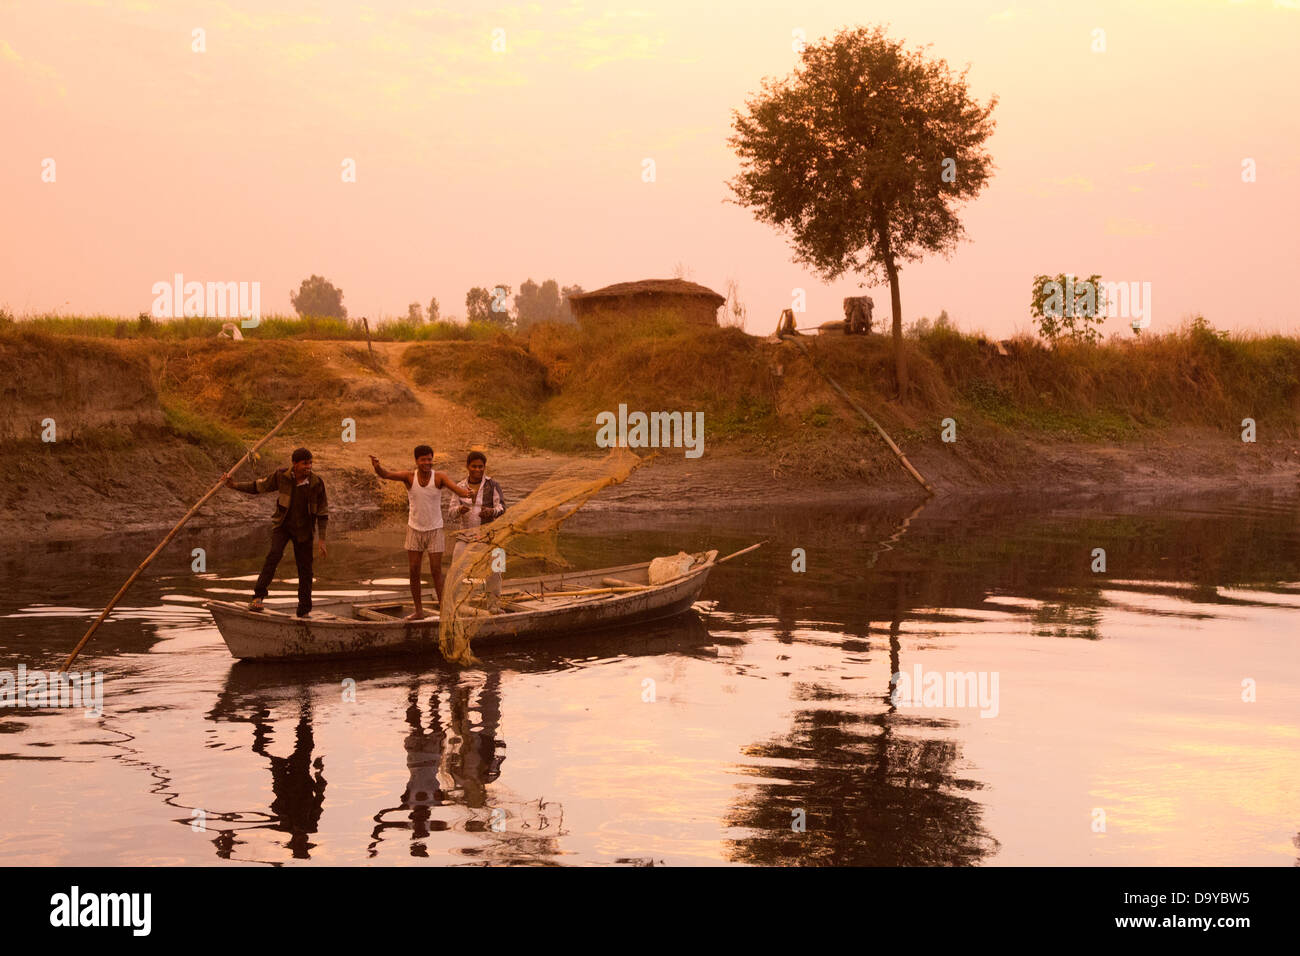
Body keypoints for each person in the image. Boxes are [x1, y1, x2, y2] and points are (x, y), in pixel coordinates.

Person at [223, 447, 328, 616]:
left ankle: (304, 611)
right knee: (273, 556)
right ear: (294, 464)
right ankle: (258, 597)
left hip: (304, 531)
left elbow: (323, 513)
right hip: (283, 526)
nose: (308, 467)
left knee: (305, 570)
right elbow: (258, 486)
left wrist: (321, 540)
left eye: (310, 463)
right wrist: (233, 485)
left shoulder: (316, 483)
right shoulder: (281, 476)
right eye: (304, 464)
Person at [369, 446, 471, 620]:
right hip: (414, 529)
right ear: (417, 461)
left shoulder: (439, 477)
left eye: (430, 459)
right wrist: (377, 466)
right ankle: (419, 611)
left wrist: (468, 493)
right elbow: (386, 475)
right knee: (414, 570)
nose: (427, 463)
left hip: (435, 530)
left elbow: (457, 490)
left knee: (436, 570)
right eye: (423, 460)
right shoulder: (409, 477)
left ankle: (445, 611)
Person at [449, 450, 507, 600]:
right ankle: (456, 603)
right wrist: (459, 510)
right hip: (465, 537)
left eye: (481, 467)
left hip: (491, 535)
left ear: (484, 467)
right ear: (467, 466)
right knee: (456, 569)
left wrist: (491, 512)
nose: (478, 470)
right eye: (474, 466)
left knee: (497, 568)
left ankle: (494, 604)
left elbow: (502, 509)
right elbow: (450, 512)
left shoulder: (493, 484)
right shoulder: (460, 486)